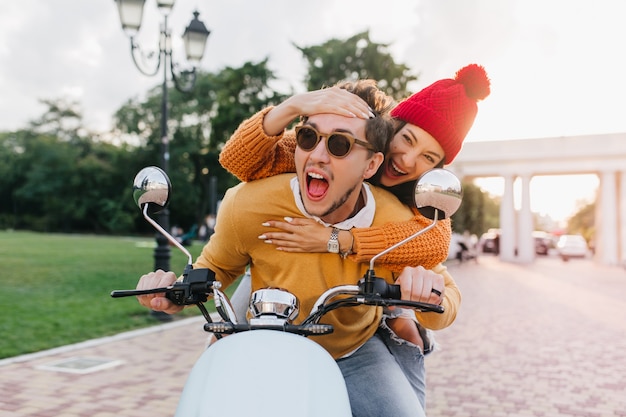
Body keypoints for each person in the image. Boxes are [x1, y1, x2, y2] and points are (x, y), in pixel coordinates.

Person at [135, 80, 459, 417]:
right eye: (308, 137)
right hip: (263, 338)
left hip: (352, 351)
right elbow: (213, 268)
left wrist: (426, 295)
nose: (318, 155)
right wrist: (171, 293)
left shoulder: (399, 217)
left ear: (372, 165)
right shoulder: (250, 202)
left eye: (340, 145)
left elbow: (441, 280)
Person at [219, 64, 490, 364]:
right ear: (392, 127)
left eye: (428, 157)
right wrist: (294, 106)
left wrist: (337, 239)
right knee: (226, 334)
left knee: (406, 331)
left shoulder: (417, 196)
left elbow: (434, 241)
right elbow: (238, 160)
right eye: (408, 140)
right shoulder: (336, 146)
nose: (408, 160)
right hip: (283, 270)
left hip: (368, 283)